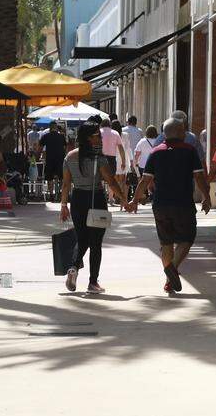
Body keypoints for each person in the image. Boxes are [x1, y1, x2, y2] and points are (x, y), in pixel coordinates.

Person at [136, 118, 211, 294]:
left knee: (166, 242)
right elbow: (199, 177)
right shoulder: (189, 151)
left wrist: (134, 200)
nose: (185, 132)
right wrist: (206, 197)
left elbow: (145, 179)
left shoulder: (156, 152)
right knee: (187, 239)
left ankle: (170, 280)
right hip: (183, 203)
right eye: (183, 130)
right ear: (179, 132)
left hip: (160, 204)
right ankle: (172, 269)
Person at [59, 123, 135, 294]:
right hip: (96, 199)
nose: (100, 139)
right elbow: (111, 181)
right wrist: (124, 200)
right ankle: (93, 282)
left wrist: (64, 205)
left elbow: (65, 184)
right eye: (96, 135)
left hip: (77, 199)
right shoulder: (99, 158)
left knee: (82, 238)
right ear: (88, 137)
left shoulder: (69, 157)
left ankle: (73, 267)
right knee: (96, 243)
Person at [39, 122, 68, 200]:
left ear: (50, 128)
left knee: (49, 178)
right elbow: (66, 147)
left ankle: (51, 195)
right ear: (56, 128)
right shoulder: (61, 136)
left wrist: (41, 155)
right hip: (60, 159)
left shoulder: (46, 136)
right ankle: (61, 193)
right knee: (61, 177)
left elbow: (40, 147)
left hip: (50, 159)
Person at [132, 125, 160, 199]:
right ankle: (153, 194)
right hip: (156, 164)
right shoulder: (158, 141)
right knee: (153, 180)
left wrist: (135, 163)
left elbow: (136, 154)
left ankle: (145, 195)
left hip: (143, 165)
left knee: (144, 181)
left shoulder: (142, 141)